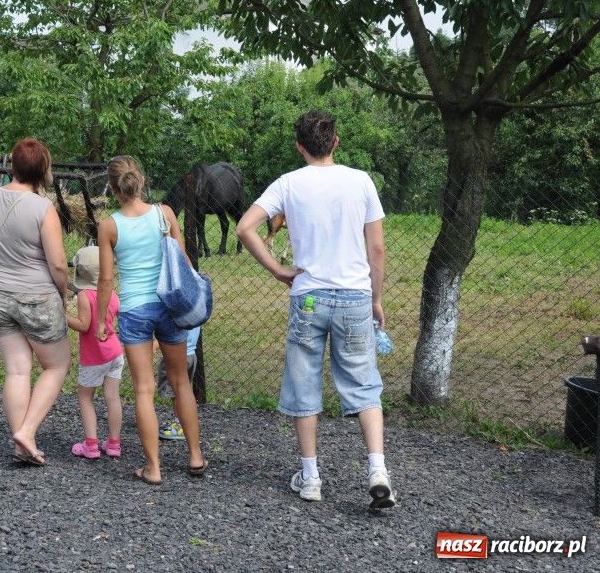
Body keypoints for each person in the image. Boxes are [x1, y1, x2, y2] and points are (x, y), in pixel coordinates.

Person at [235, 109, 395, 509]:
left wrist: (277, 270)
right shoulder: (360, 182)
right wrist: (375, 298)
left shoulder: (288, 184)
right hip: (355, 295)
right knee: (364, 382)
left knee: (304, 382)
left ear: (300, 146)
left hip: (307, 296)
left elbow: (244, 228)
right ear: (335, 142)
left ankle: (310, 478)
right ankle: (377, 469)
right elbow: (376, 248)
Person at [95, 155, 207, 485]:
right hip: (170, 306)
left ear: (114, 190)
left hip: (134, 311)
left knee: (144, 390)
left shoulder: (109, 226)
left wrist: (102, 320)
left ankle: (153, 468)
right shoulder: (165, 214)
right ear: (141, 181)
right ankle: (196, 456)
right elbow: (183, 260)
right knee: (180, 382)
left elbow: (105, 280)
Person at [0, 138, 70, 466]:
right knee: (56, 365)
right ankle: (26, 432)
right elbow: (57, 263)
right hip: (36, 297)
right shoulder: (43, 209)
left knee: (16, 370)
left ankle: (20, 445)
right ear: (43, 170)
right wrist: (64, 292)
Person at [66, 245, 124, 460]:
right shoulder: (113, 294)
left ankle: (90, 445)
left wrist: (62, 316)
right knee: (112, 397)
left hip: (94, 356)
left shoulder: (85, 296)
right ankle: (114, 444)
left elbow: (84, 325)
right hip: (115, 352)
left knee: (85, 397)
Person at [156, 326, 201, 441]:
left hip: (177, 355)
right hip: (191, 353)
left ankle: (179, 425)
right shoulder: (194, 310)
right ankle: (185, 424)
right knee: (183, 390)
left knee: (176, 393)